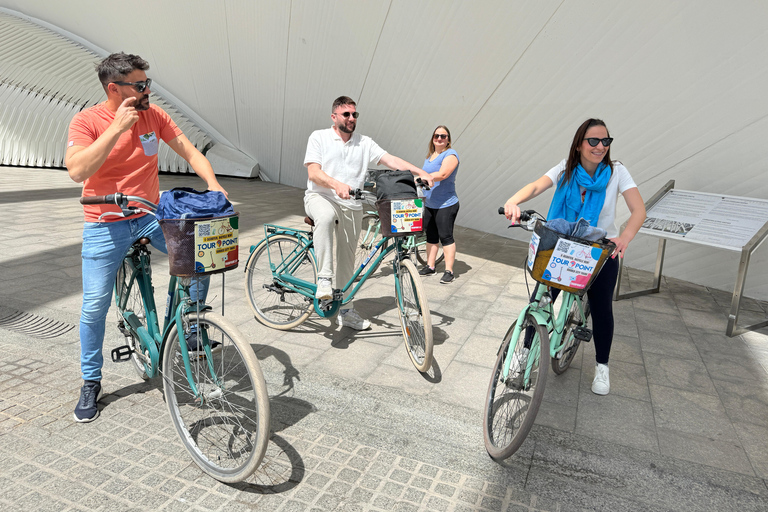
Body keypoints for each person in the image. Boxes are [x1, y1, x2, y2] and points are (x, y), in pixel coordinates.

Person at [65, 52, 228, 422]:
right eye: (139, 85)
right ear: (114, 88)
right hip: (105, 221)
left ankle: (184, 330)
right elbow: (77, 170)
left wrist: (216, 187)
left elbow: (189, 150)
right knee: (93, 306)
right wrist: (116, 129)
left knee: (200, 258)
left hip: (151, 215)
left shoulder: (155, 116)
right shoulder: (87, 121)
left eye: (147, 83)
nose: (147, 90)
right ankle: (91, 380)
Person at [503, 118, 645, 395]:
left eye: (606, 141)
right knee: (541, 300)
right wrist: (514, 201)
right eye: (593, 141)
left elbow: (638, 210)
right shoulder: (565, 169)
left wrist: (623, 238)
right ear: (579, 144)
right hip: (562, 245)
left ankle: (602, 366)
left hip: (600, 249)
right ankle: (525, 353)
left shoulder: (617, 172)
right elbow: (536, 186)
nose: (600, 146)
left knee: (602, 309)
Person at [304, 96, 434, 330]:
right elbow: (314, 173)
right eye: (346, 114)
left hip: (352, 206)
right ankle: (324, 279)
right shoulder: (319, 137)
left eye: (355, 114)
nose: (352, 118)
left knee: (347, 260)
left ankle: (346, 309)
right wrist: (336, 185)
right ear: (334, 117)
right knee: (323, 217)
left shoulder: (364, 142)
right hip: (321, 197)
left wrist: (420, 171)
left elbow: (391, 160)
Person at [418, 125, 460, 284]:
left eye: (443, 136)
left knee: (446, 236)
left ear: (448, 139)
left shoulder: (451, 154)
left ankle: (449, 271)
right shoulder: (430, 156)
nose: (440, 139)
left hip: (446, 204)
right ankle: (430, 266)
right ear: (433, 138)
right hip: (430, 204)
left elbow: (442, 174)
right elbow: (426, 179)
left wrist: (422, 177)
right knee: (431, 237)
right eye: (437, 136)